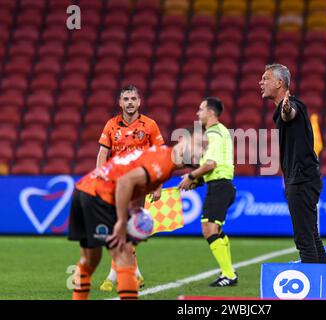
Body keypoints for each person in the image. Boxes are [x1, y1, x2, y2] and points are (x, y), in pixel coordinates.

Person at [68, 129, 205, 300]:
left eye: (203, 150)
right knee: (124, 256)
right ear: (184, 139)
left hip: (83, 189)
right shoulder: (163, 163)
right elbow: (125, 182)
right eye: (198, 143)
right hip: (99, 195)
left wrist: (134, 212)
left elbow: (135, 186)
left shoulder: (161, 154)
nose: (199, 151)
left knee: (89, 260)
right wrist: (122, 221)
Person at [96, 85, 165, 291]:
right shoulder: (111, 125)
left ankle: (112, 276)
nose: (130, 102)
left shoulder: (150, 125)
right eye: (126, 99)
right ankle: (136, 274)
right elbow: (102, 154)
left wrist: (158, 184)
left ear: (139, 101)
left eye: (133, 98)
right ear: (120, 103)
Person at [259, 64, 326, 264]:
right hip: (304, 178)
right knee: (312, 237)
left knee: (305, 240)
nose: (260, 82)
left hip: (301, 180)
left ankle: (313, 292)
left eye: (265, 78)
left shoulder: (292, 105)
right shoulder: (287, 107)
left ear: (280, 83)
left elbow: (289, 113)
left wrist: (287, 109)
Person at [178, 97, 238, 287]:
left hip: (220, 186)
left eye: (201, 109)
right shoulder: (220, 132)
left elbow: (211, 164)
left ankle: (229, 275)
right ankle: (228, 272)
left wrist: (190, 176)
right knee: (215, 229)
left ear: (211, 112)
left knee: (209, 228)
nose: (198, 113)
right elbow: (217, 165)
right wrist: (198, 180)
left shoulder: (214, 133)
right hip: (221, 184)